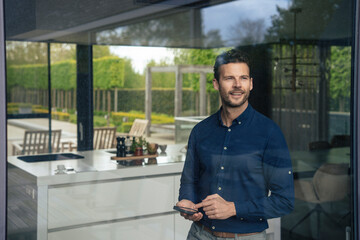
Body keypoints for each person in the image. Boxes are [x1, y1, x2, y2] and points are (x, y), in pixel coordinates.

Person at [176, 49, 294, 239]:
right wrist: (187, 201)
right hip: (200, 234)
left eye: (244, 78)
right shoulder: (200, 131)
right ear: (216, 83)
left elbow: (285, 201)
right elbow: (190, 180)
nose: (238, 85)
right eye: (229, 78)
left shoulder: (269, 133)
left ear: (251, 83)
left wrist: (233, 208)